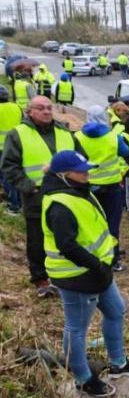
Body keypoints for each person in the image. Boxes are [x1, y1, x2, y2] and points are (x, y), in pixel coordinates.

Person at [41, 150, 129, 396]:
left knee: (116, 311)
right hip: (78, 276)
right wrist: (96, 264)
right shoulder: (59, 205)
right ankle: (83, 378)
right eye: (81, 171)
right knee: (76, 328)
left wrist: (105, 262)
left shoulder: (80, 191)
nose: (87, 173)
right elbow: (67, 246)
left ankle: (119, 363)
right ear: (64, 175)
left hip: (98, 271)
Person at [2, 96, 81, 297]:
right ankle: (41, 279)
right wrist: (28, 187)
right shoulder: (18, 134)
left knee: (66, 236)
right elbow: (9, 167)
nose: (46, 111)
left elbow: (81, 158)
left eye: (49, 107)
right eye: (40, 108)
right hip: (36, 198)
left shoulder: (65, 132)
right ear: (30, 111)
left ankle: (66, 275)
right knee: (37, 240)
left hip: (67, 196)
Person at [74, 106, 129, 271]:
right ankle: (112, 260)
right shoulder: (113, 136)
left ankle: (93, 256)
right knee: (112, 224)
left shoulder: (77, 137)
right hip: (112, 187)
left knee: (91, 223)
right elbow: (126, 152)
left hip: (87, 187)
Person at [0, 87, 23, 215]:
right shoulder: (17, 107)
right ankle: (19, 202)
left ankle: (14, 206)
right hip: (16, 146)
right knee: (15, 174)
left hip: (1, 149)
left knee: (6, 177)